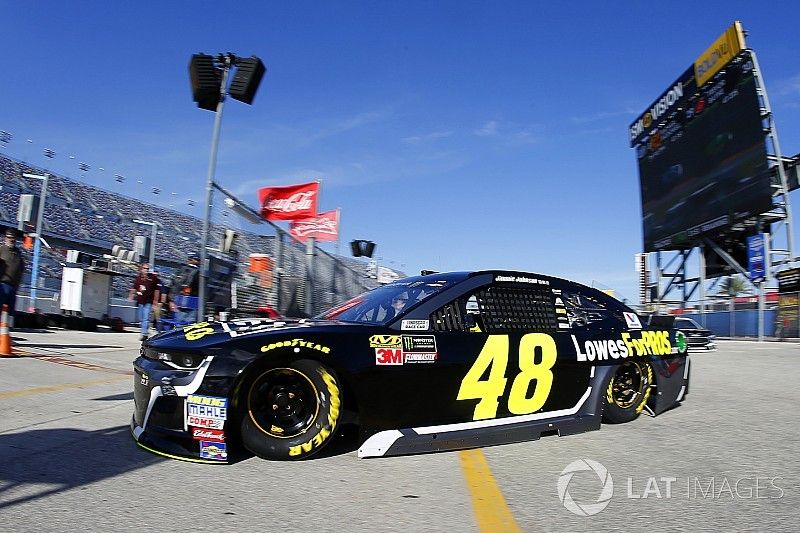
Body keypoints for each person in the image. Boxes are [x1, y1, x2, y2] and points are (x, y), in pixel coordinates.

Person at [129, 262, 159, 341]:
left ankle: (144, 334)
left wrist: (155, 301)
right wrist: (131, 296)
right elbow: (134, 288)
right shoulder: (138, 278)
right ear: (141, 269)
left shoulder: (152, 278)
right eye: (145, 268)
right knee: (141, 318)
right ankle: (144, 331)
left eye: (147, 269)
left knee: (146, 318)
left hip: (148, 301)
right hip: (140, 301)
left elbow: (156, 290)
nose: (146, 270)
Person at [0, 228, 24, 319]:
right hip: (2, 285)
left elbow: (21, 269)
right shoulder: (1, 250)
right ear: (5, 238)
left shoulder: (18, 253)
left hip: (13, 287)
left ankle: (6, 331)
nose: (11, 240)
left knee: (10, 314)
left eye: (13, 238)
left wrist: (17, 286)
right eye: (9, 237)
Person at [171, 252, 200, 324]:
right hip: (192, 301)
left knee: (180, 324)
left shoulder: (180, 270)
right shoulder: (199, 272)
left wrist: (172, 300)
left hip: (182, 300)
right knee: (188, 324)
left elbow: (174, 285)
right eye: (197, 259)